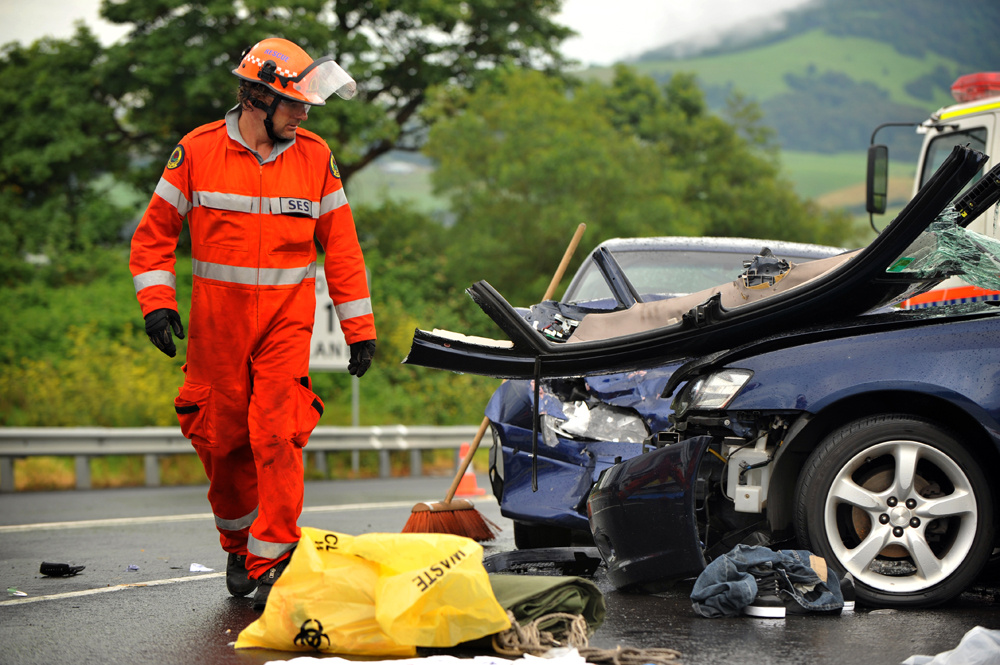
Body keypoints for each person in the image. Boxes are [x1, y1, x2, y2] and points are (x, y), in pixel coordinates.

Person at [129, 37, 377, 611]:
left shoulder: (315, 156)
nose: (304, 114)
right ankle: (239, 545)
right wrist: (157, 303)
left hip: (286, 324)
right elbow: (153, 237)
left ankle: (275, 557)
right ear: (257, 96)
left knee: (278, 431)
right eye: (294, 104)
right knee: (221, 438)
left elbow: (342, 250)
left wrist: (359, 327)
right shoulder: (197, 151)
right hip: (218, 326)